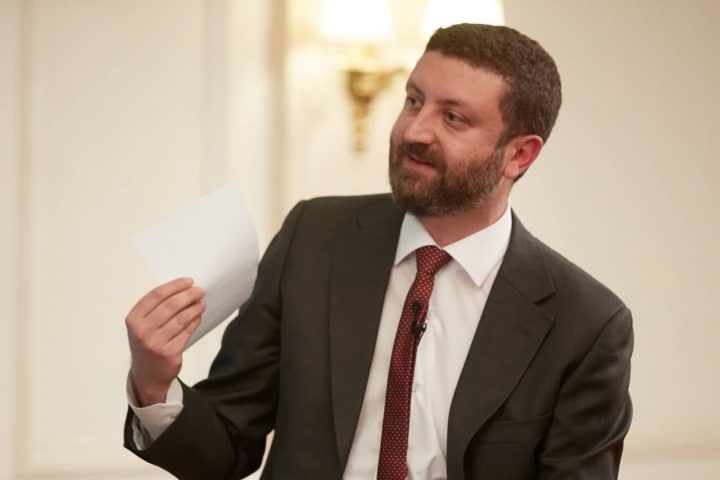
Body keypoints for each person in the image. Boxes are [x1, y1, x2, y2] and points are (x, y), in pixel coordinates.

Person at [124, 23, 633, 480]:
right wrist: (155, 381)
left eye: (452, 117)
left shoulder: (586, 324)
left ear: (519, 155)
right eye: (413, 101)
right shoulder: (313, 239)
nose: (414, 130)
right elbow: (224, 448)